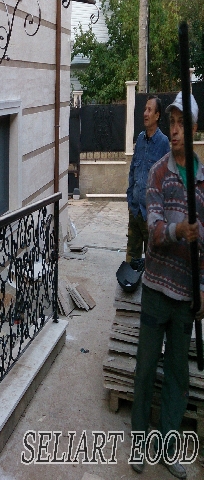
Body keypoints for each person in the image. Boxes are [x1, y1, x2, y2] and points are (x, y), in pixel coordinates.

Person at [131, 92, 204, 478]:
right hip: (156, 290)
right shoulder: (159, 172)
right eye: (171, 123)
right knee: (145, 368)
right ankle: (139, 443)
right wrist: (180, 231)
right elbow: (155, 229)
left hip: (185, 297)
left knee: (178, 374)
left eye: (181, 124)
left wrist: (203, 287)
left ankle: (169, 447)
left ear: (194, 130)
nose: (174, 130)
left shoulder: (203, 182)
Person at [126, 96, 170, 263]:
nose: (145, 113)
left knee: (153, 263)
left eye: (149, 110)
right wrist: (130, 200)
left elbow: (167, 179)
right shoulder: (140, 140)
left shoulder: (163, 143)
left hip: (151, 216)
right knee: (131, 262)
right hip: (135, 211)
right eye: (145, 109)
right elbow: (133, 170)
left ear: (157, 115)